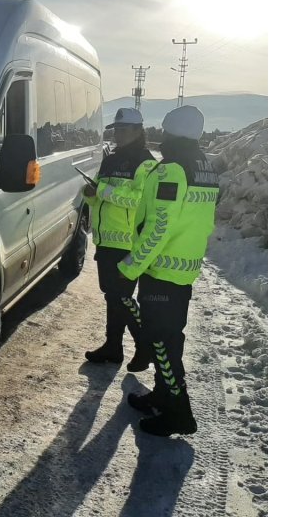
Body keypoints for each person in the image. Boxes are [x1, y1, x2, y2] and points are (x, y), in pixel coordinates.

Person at [114, 105, 220, 437]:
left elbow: (159, 228)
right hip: (183, 269)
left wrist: (130, 268)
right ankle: (162, 394)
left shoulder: (172, 170)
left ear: (171, 133)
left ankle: (179, 414)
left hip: (162, 270)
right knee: (170, 340)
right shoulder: (205, 168)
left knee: (162, 343)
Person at [82, 107, 154, 371]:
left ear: (138, 131)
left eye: (125, 130)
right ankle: (113, 347)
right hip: (106, 240)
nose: (119, 134)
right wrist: (90, 193)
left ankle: (143, 345)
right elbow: (101, 196)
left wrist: (102, 189)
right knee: (112, 297)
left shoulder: (146, 163)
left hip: (127, 242)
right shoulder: (111, 158)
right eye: (117, 130)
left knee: (122, 298)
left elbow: (135, 200)